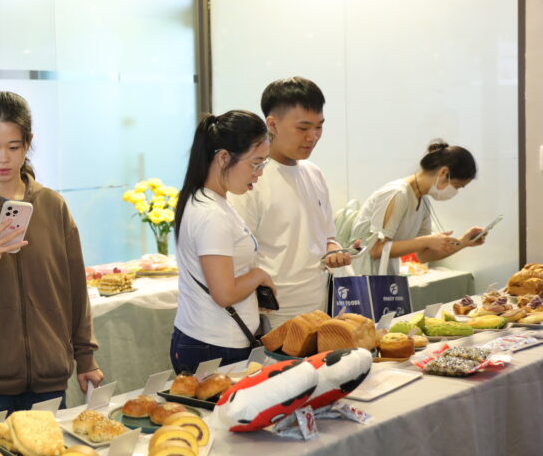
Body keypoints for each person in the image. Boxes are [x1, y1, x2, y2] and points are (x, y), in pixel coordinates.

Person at [0, 91, 103, 428]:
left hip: (49, 378)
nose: (3, 159)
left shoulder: (53, 206)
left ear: (28, 144)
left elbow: (74, 290)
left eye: (13, 147)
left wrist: (86, 358)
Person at [229, 77, 349, 328]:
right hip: (272, 314)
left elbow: (328, 236)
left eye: (319, 127)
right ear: (272, 124)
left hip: (321, 307)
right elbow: (237, 257)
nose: (313, 137)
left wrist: (334, 251)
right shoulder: (251, 179)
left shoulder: (313, 173)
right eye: (303, 128)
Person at [171, 110, 273, 371]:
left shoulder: (209, 201)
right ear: (224, 157)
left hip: (213, 339)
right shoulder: (210, 213)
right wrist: (259, 276)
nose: (259, 173)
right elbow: (224, 293)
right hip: (213, 345)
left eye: (263, 164)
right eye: (255, 163)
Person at [351, 140, 485, 275]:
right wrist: (427, 241)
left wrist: (463, 242)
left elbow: (424, 255)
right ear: (444, 172)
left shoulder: (423, 201)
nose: (455, 192)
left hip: (385, 279)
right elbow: (375, 250)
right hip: (361, 278)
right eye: (456, 186)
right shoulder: (398, 194)